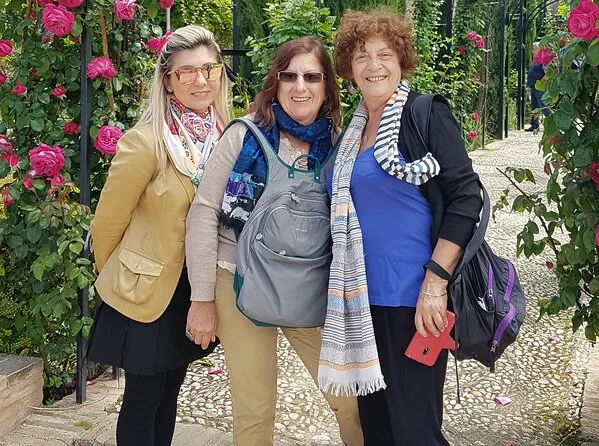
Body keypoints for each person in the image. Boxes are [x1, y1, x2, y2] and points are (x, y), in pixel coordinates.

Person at [184, 36, 363, 446]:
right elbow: (204, 212)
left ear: (327, 86)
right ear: (275, 83)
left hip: (311, 287)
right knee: (255, 409)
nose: (300, 86)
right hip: (240, 280)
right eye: (289, 76)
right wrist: (202, 297)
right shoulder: (244, 136)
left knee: (350, 399)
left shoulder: (341, 146)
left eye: (312, 77)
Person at [318, 9, 483, 446]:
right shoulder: (351, 133)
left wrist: (436, 283)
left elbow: (467, 198)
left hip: (415, 303)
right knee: (377, 430)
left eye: (384, 54)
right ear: (348, 68)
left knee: (415, 432)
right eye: (361, 56)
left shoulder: (423, 114)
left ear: (401, 60)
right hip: (360, 304)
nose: (373, 66)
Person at [86, 25, 230, 446]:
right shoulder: (146, 142)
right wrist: (121, 279)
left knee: (170, 395)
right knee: (143, 399)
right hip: (145, 294)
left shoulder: (226, 136)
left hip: (194, 290)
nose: (201, 80)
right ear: (168, 80)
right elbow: (107, 224)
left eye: (209, 69)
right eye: (187, 71)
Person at [526, 43, 551, 131]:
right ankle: (535, 124)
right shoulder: (536, 60)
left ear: (539, 49)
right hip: (534, 86)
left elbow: (548, 73)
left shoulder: (543, 60)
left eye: (534, 49)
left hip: (540, 87)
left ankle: (553, 121)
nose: (532, 51)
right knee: (535, 106)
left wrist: (541, 82)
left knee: (543, 106)